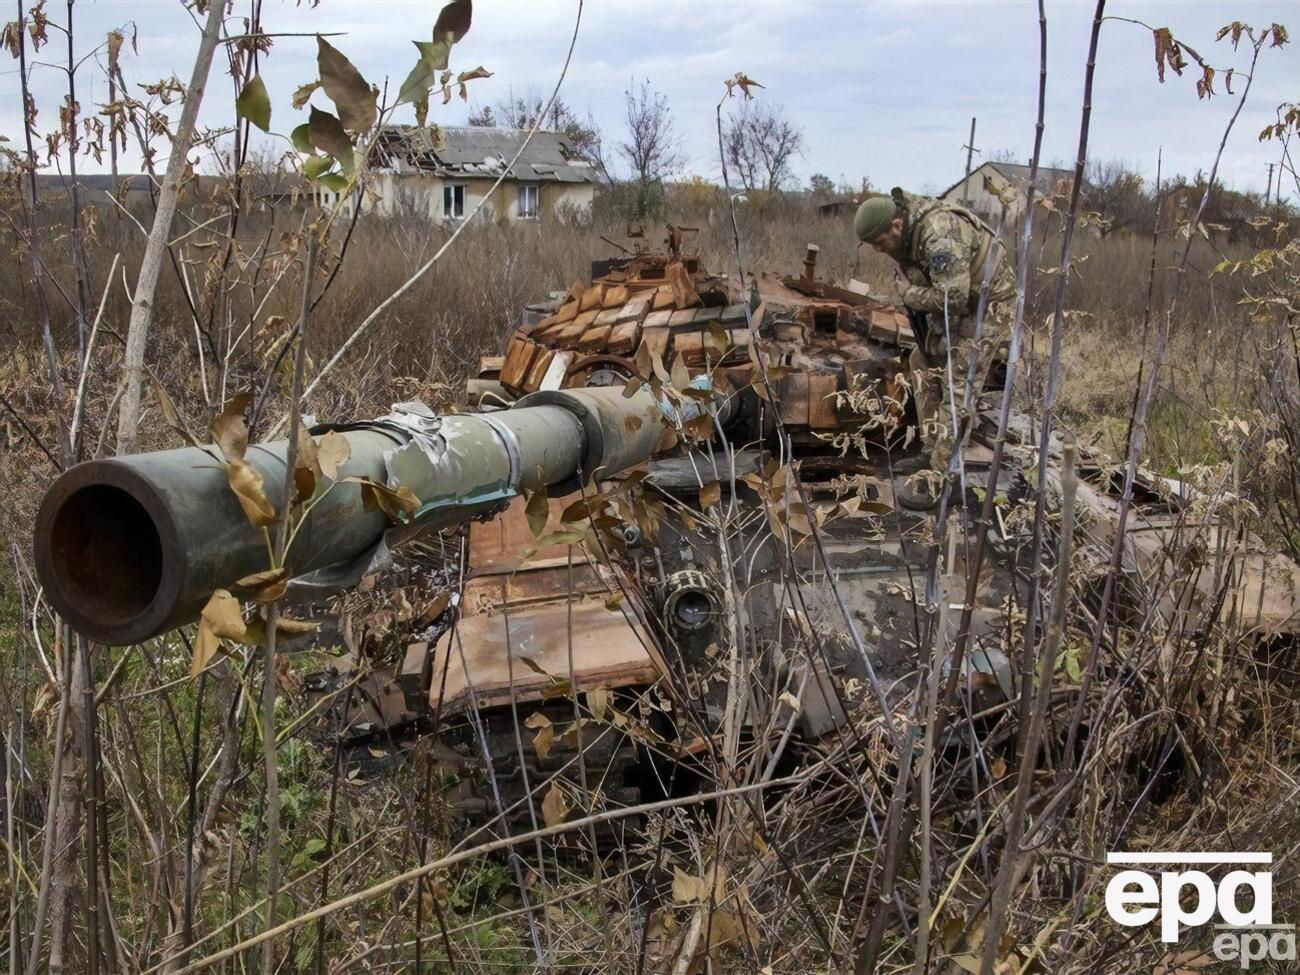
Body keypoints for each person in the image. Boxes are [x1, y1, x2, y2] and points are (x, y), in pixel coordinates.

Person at [854, 188, 1016, 509]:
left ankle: (941, 476)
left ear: (897, 225)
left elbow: (953, 298)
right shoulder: (911, 235)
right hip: (962, 303)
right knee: (922, 360)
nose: (881, 250)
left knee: (958, 381)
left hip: (989, 308)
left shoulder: (940, 232)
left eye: (882, 243)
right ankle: (932, 451)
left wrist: (910, 293)